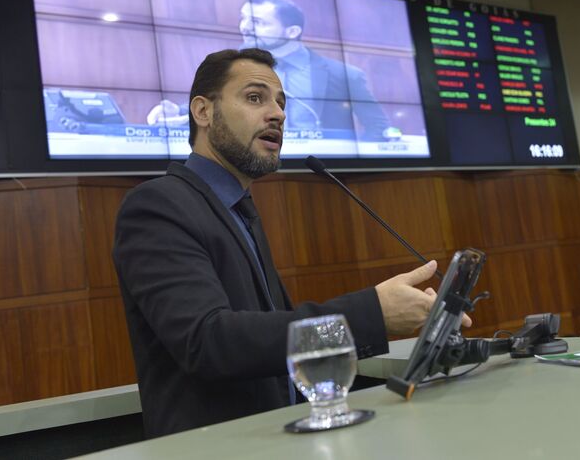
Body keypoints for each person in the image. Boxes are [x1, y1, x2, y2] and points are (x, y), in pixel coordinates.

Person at [113, 48, 467, 438]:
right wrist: (370, 316)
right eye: (255, 98)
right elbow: (208, 342)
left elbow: (270, 341)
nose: (278, 114)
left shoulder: (238, 209)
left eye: (281, 104)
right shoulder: (158, 205)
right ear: (203, 112)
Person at [238, 0, 390, 139]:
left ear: (292, 32)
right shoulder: (235, 70)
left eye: (257, 22)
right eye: (243, 19)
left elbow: (378, 127)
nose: (244, 27)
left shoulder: (344, 75)